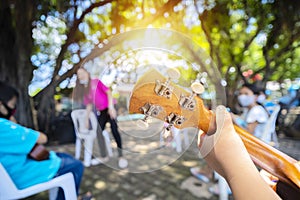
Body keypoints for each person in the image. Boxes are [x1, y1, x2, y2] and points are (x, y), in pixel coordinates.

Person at [0, 81, 90, 200]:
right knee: (76, 165)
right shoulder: (4, 126)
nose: (13, 109)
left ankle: (71, 195)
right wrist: (14, 123)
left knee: (62, 155)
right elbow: (43, 138)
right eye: (12, 104)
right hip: (21, 175)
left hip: (11, 174)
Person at [198, 105, 281, 199]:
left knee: (217, 145)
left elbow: (249, 131)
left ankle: (216, 179)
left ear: (256, 95)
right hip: (253, 143)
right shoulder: (252, 109)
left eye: (246, 93)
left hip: (251, 144)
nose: (242, 96)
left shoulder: (256, 110)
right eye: (241, 93)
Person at [74, 67, 128, 168]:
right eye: (78, 74)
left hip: (110, 107)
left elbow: (108, 92)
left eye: (81, 73)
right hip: (101, 111)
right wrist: (86, 119)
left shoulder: (96, 81)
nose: (80, 75)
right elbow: (89, 105)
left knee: (114, 130)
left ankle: (121, 156)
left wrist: (111, 107)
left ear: (87, 72)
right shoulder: (85, 89)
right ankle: (104, 156)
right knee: (98, 132)